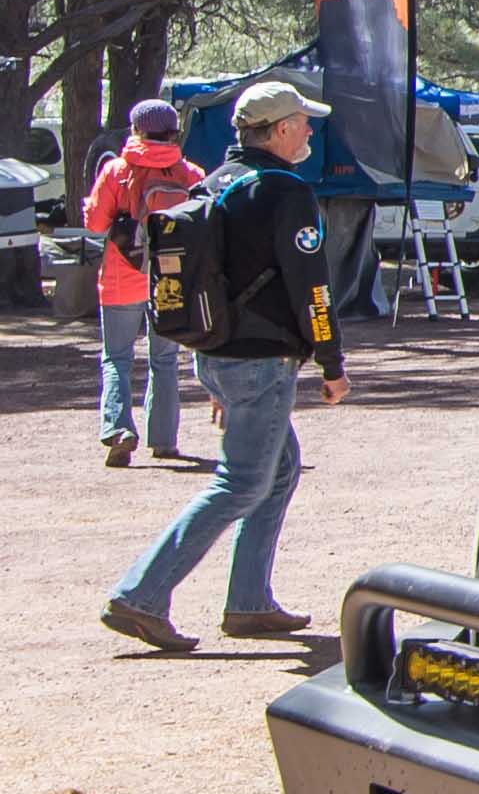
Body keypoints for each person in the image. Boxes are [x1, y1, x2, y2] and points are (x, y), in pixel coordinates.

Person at [104, 80, 343, 653]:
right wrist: (331, 361)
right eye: (303, 122)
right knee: (241, 482)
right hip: (260, 360)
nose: (310, 130)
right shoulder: (285, 191)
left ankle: (249, 601)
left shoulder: (215, 183)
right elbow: (313, 285)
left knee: (279, 469)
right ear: (281, 130)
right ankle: (141, 595)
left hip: (217, 355)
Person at [82, 97, 198, 467]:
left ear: (136, 130)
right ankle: (164, 441)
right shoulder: (189, 174)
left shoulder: (117, 171)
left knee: (116, 358)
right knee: (164, 359)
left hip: (122, 277)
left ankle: (118, 429)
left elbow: (96, 225)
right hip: (170, 278)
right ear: (173, 132)